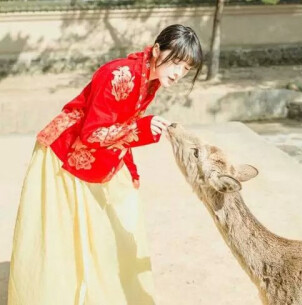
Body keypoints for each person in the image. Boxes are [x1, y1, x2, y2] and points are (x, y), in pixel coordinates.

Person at [8, 24, 203, 305]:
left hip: (91, 156)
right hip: (62, 154)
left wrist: (132, 167)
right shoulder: (119, 74)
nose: (178, 72)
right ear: (157, 50)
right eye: (175, 62)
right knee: (61, 236)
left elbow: (121, 123)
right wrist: (143, 129)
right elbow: (92, 133)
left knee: (108, 225)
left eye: (186, 69)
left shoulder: (150, 82)